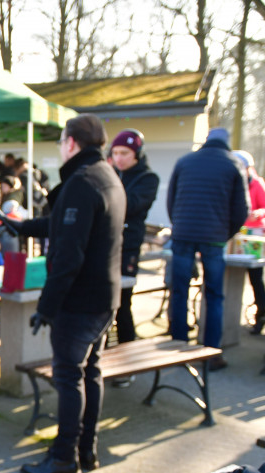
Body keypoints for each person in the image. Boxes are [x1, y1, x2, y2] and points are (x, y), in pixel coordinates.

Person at [2, 114, 125, 473]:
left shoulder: (82, 182)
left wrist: (46, 306)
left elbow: (69, 255)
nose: (59, 149)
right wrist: (25, 226)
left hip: (81, 301)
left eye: (60, 143)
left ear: (71, 143)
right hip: (105, 298)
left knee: (70, 375)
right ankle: (86, 450)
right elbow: (72, 227)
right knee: (90, 372)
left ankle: (64, 457)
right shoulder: (107, 176)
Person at [166, 127, 249, 370]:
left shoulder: (185, 161)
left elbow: (171, 200)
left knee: (179, 291)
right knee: (214, 295)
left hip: (183, 233)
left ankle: (178, 346)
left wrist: (179, 224)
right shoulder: (233, 164)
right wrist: (225, 233)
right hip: (214, 237)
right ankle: (211, 352)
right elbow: (241, 208)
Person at [107, 128, 159, 388]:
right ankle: (103, 359)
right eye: (115, 153)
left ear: (136, 154)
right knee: (104, 305)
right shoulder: (112, 173)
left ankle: (127, 363)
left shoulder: (148, 178)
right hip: (106, 247)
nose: (119, 158)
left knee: (122, 306)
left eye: (124, 153)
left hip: (127, 249)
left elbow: (130, 205)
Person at [232, 150, 265, 333]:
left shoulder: (257, 184)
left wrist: (258, 213)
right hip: (236, 231)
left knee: (255, 276)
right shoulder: (231, 182)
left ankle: (261, 313)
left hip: (254, 232)